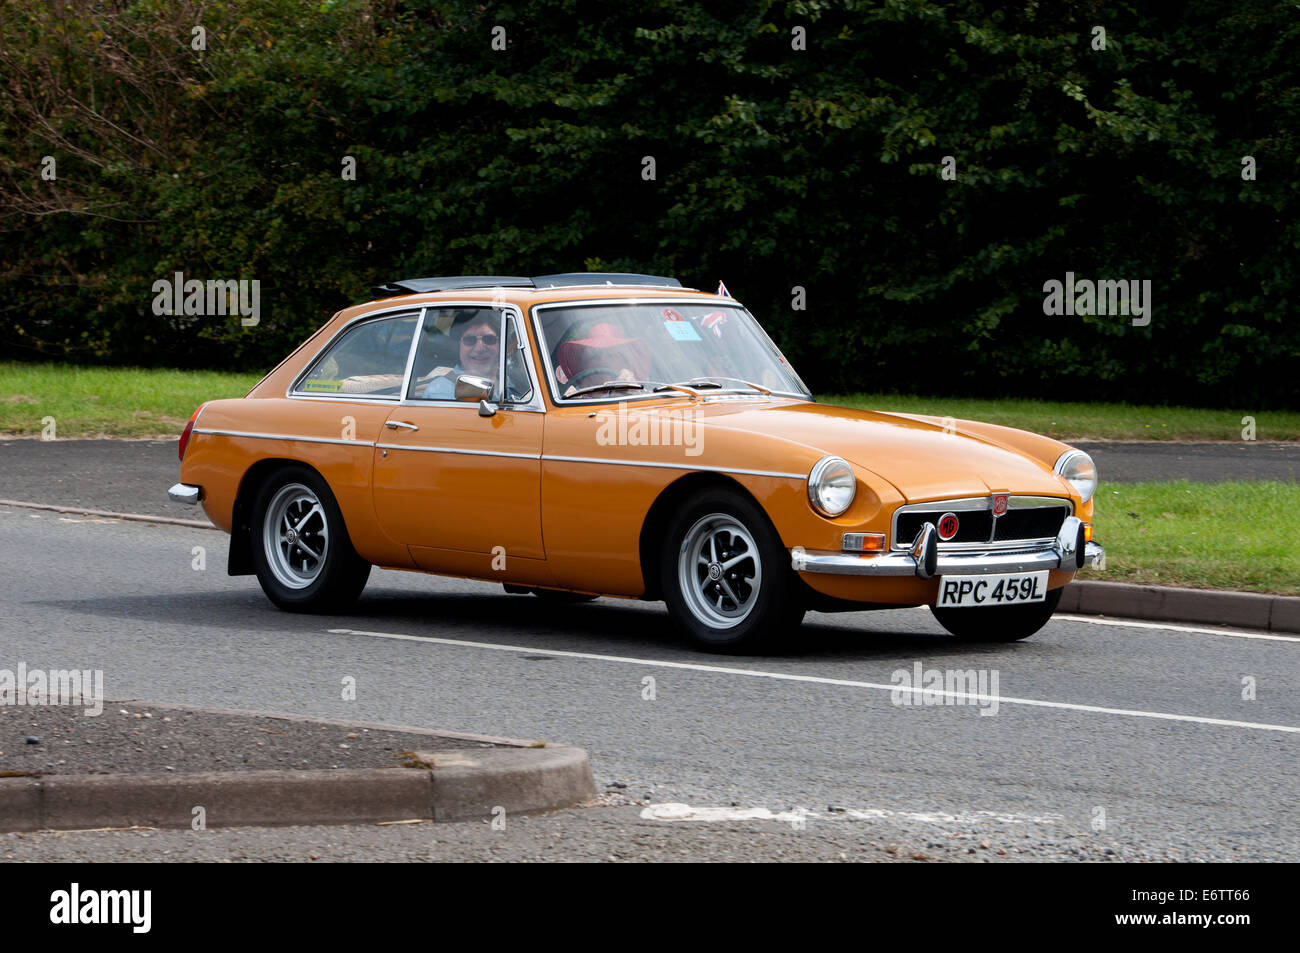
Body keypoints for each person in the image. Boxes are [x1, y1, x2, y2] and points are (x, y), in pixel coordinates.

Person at [421, 314, 500, 399]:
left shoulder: (512, 380)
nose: (479, 349)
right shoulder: (441, 391)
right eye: (469, 340)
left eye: (489, 339)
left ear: (500, 344)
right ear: (459, 345)